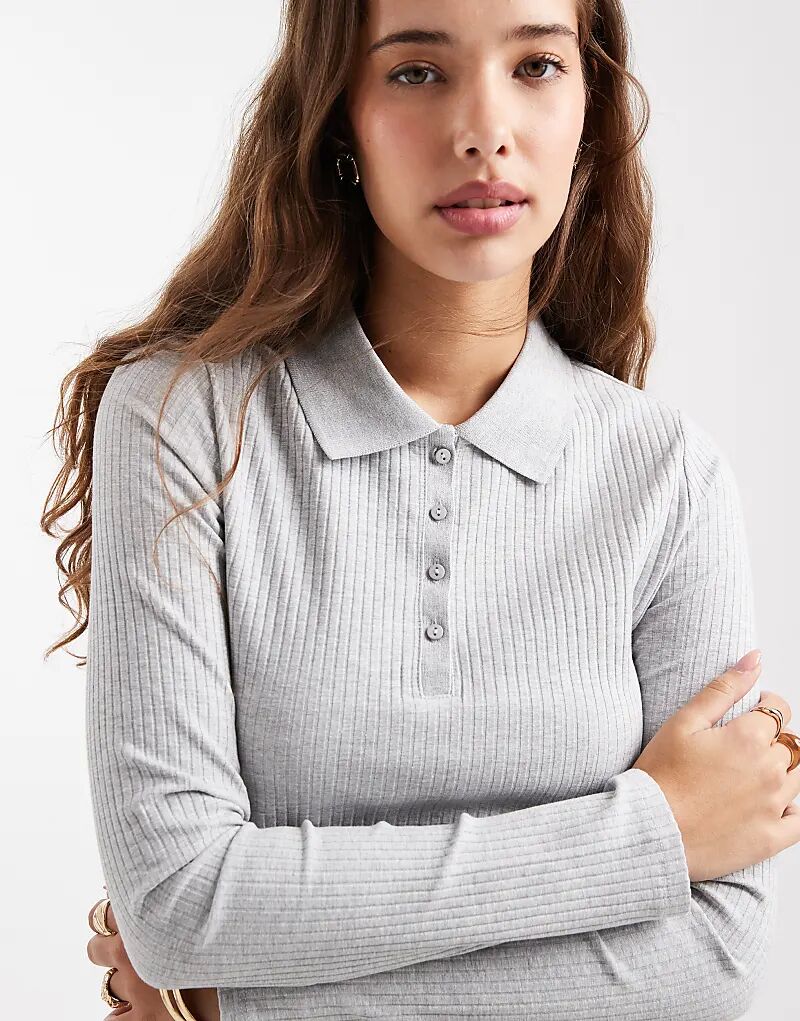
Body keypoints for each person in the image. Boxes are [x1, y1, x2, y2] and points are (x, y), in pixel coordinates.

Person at [41, 0, 800, 1019]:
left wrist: (236, 1002)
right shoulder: (181, 421)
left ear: (590, 106)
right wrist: (649, 832)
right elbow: (179, 904)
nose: (483, 130)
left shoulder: (670, 478)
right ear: (337, 115)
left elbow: (712, 965)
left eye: (536, 66)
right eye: (416, 72)